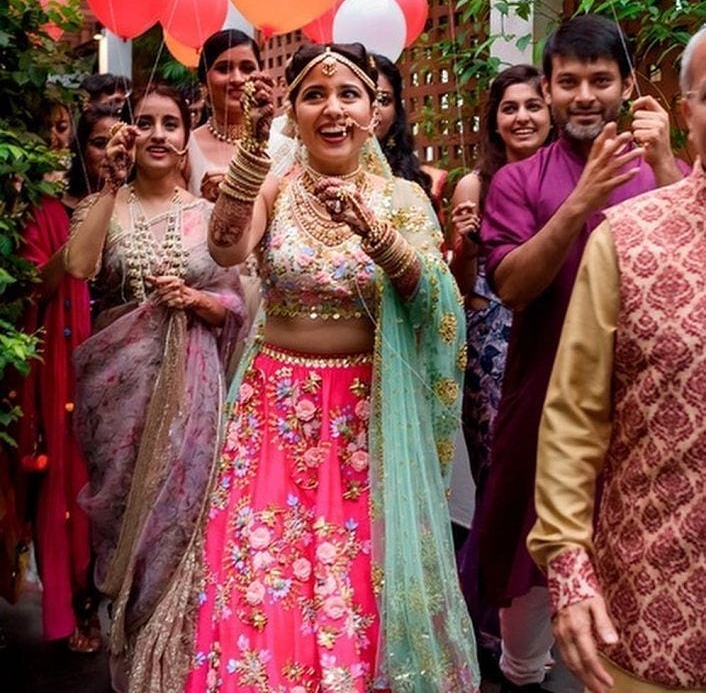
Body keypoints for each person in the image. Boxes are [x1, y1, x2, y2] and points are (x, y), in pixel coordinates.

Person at [185, 42, 479, 693]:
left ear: (375, 112)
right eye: (314, 95)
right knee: (261, 582)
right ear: (292, 111)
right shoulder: (274, 185)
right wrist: (254, 146)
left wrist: (377, 234)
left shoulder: (401, 197)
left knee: (356, 589)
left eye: (349, 94)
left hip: (363, 424)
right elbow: (225, 245)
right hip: (272, 416)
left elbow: (438, 304)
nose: (333, 108)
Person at [476, 14, 685, 692]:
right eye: (569, 82)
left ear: (628, 85)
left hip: (646, 428)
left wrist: (660, 167)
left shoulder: (663, 171)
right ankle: (520, 674)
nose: (585, 96)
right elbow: (511, 287)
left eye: (601, 80)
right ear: (549, 88)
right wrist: (579, 205)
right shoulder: (519, 181)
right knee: (527, 595)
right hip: (542, 411)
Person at [527, 26, 706, 693]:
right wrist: (569, 569)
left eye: (599, 79)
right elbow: (574, 416)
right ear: (686, 111)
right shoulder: (628, 240)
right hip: (653, 604)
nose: (582, 95)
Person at [64, 84, 245, 690]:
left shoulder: (206, 215)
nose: (161, 134)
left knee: (179, 532)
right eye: (147, 122)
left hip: (191, 402)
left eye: (173, 123)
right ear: (129, 134)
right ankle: (129, 668)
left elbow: (236, 307)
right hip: (118, 402)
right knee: (126, 532)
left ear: (187, 134)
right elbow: (78, 268)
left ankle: (174, 673)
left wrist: (197, 301)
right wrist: (109, 186)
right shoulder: (103, 207)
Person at [450, 65, 552, 667]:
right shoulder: (474, 185)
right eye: (510, 107)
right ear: (494, 120)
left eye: (533, 106)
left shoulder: (569, 174)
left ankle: (541, 610)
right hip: (493, 342)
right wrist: (463, 244)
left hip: (556, 332)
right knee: (501, 471)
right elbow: (461, 286)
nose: (522, 117)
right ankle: (490, 615)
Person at [13, 101, 96, 651]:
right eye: (50, 127)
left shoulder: (135, 203)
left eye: (63, 126)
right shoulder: (43, 211)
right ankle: (74, 609)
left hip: (121, 358)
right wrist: (81, 238)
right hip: (63, 359)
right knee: (65, 478)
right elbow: (35, 286)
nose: (56, 136)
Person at [188, 28, 263, 201]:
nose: (237, 79)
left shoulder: (283, 147)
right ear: (204, 82)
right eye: (223, 69)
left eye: (247, 68)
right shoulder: (185, 150)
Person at [373, 53, 432, 196]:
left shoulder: (410, 180)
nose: (374, 109)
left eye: (383, 100)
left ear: (396, 112)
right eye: (353, 96)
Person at [63, 103, 118, 211]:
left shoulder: (136, 209)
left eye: (117, 145)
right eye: (100, 144)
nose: (109, 153)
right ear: (81, 147)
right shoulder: (52, 211)